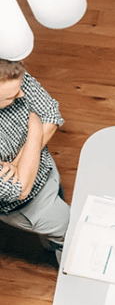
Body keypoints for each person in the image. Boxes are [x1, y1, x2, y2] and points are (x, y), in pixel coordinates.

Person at [0, 59, 70, 263]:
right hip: (29, 207)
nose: (21, 95)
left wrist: (19, 161)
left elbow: (51, 113)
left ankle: (51, 241)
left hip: (46, 167)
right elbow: (20, 188)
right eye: (11, 97)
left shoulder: (9, 74)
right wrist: (36, 125)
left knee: (59, 212)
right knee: (71, 234)